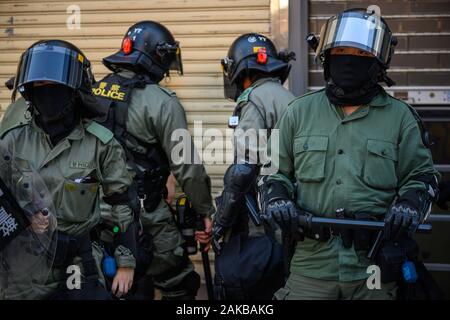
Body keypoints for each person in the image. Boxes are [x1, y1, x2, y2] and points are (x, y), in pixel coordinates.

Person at [259, 8, 440, 300]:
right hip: (311, 264)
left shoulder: (401, 118)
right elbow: (272, 172)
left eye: (359, 53)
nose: (347, 60)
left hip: (373, 266)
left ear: (378, 63)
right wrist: (276, 197)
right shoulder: (298, 112)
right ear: (326, 57)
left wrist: (410, 203)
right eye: (340, 51)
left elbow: (422, 177)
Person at [0, 40, 137, 299]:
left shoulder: (100, 144)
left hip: (77, 260)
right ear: (29, 92)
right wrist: (23, 218)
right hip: (22, 265)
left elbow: (122, 205)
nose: (46, 93)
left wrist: (126, 263)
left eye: (54, 86)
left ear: (75, 91)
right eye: (38, 86)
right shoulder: (11, 141)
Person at [92, 20, 215, 300]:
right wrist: (205, 210)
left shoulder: (94, 91)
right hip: (144, 214)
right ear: (157, 57)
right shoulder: (162, 101)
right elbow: (188, 167)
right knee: (180, 283)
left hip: (95, 213)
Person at [212, 33, 295, 299]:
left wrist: (220, 222)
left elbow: (245, 169)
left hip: (264, 221)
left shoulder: (253, 99)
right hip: (292, 212)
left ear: (238, 68)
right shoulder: (289, 97)